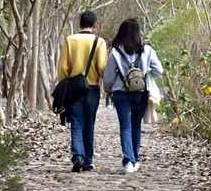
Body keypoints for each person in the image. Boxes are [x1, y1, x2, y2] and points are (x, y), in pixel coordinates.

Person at [103, 18, 163, 174]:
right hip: (140, 94)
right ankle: (135, 159)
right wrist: (143, 75)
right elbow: (159, 70)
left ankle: (128, 161)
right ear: (138, 33)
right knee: (136, 125)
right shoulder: (147, 50)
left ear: (122, 32)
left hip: (121, 93)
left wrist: (108, 89)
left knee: (125, 127)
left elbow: (108, 76)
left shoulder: (115, 51)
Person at [56, 11, 108, 172]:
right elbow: (102, 67)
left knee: (77, 123)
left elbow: (63, 69)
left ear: (79, 24)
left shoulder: (69, 41)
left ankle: (77, 156)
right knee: (89, 124)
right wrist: (105, 86)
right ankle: (88, 160)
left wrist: (65, 83)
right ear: (95, 25)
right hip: (92, 88)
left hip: (74, 88)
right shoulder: (100, 42)